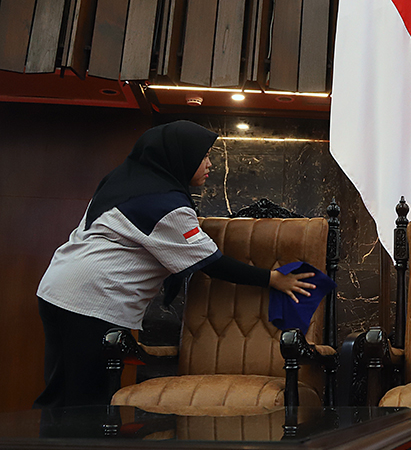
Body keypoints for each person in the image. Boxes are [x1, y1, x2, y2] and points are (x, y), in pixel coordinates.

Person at [33, 121, 316, 408]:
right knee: (84, 402)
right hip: (91, 299)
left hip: (61, 288)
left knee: (62, 393)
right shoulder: (164, 205)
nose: (209, 164)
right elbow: (212, 263)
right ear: (180, 157)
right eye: (203, 156)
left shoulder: (127, 178)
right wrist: (273, 279)